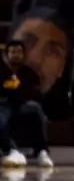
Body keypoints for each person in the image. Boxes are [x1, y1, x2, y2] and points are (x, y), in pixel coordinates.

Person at [0, 40, 50, 169]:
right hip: (3, 105)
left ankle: (41, 151)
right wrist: (15, 90)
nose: (16, 55)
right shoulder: (2, 71)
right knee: (1, 118)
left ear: (23, 54)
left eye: (19, 52)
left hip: (22, 105)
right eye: (13, 52)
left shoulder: (29, 73)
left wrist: (14, 91)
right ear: (6, 54)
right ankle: (11, 150)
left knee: (36, 109)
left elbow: (35, 93)